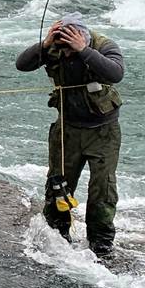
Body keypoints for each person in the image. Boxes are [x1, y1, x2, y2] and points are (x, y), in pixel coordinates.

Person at [16, 14, 126, 258]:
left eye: (68, 50)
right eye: (61, 49)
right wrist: (44, 45)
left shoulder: (103, 46)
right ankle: (57, 234)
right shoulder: (54, 46)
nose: (64, 54)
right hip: (67, 129)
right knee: (58, 185)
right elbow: (21, 64)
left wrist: (83, 50)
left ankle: (101, 243)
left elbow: (116, 73)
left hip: (102, 131)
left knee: (102, 188)